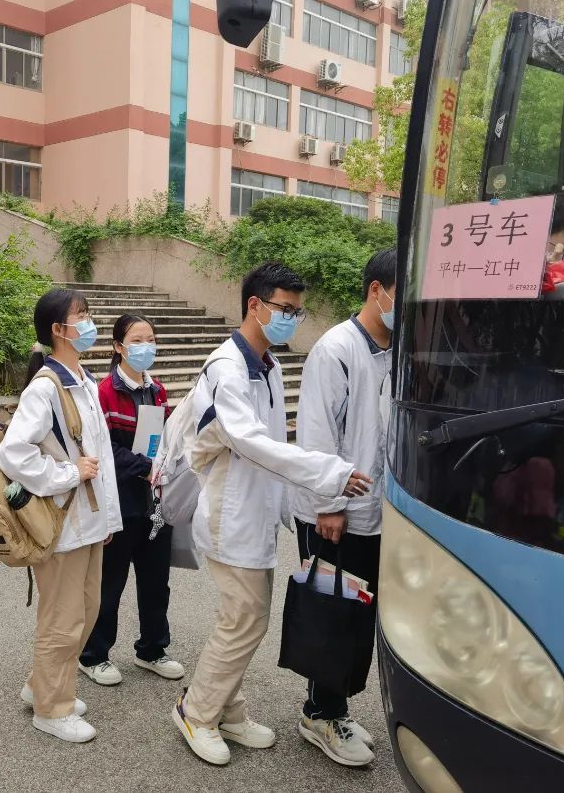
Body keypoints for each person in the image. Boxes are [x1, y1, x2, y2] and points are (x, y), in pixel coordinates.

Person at [172, 261, 372, 767]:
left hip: (255, 513)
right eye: (285, 309)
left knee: (243, 618)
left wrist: (298, 508)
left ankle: (228, 710)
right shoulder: (226, 369)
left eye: (297, 312)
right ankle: (196, 711)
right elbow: (253, 444)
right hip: (229, 515)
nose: (291, 319)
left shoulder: (269, 365)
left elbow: (273, 448)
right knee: (244, 619)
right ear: (254, 306)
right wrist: (328, 476)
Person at [0, 288, 123, 744]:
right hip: (63, 523)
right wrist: (68, 473)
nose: (88, 323)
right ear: (58, 329)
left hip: (88, 523)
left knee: (86, 612)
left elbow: (101, 457)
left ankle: (42, 685)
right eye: (81, 316)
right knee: (63, 619)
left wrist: (107, 519)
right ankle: (52, 708)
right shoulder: (46, 387)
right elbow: (13, 454)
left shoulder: (82, 379)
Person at [292, 247, 396, 767]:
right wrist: (328, 504)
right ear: (377, 290)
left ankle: (334, 705)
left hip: (379, 513)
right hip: (335, 513)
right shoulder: (335, 349)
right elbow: (315, 433)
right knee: (332, 609)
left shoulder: (398, 349)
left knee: (360, 612)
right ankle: (321, 714)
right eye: (404, 294)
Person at [79, 314, 185, 687]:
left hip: (154, 500)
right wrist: (145, 466)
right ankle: (93, 654)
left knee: (156, 581)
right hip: (120, 501)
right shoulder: (104, 391)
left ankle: (152, 649)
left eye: (151, 339)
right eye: (137, 340)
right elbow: (104, 449)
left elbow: (163, 438)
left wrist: (164, 462)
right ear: (118, 347)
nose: (146, 347)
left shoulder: (156, 391)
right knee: (110, 582)